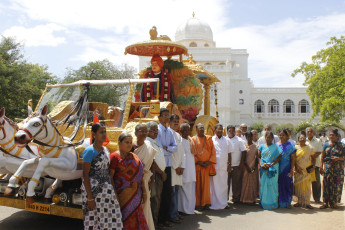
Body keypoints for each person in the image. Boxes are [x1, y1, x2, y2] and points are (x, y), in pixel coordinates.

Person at [82, 123, 122, 230]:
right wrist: (90, 198)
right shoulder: (89, 151)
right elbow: (85, 175)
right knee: (93, 219)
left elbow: (108, 173)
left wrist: (113, 191)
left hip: (107, 190)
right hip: (93, 190)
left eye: (105, 132)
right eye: (101, 132)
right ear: (94, 134)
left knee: (112, 216)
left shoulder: (106, 150)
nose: (104, 134)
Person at [110, 133, 148, 230]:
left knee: (136, 218)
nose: (129, 144)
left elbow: (140, 176)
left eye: (130, 142)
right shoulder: (114, 157)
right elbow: (110, 178)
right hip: (121, 195)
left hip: (135, 195)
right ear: (119, 143)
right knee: (123, 219)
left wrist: (144, 191)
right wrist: (115, 196)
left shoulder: (134, 157)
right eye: (126, 142)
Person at [156, 108, 178, 227]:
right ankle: (158, 220)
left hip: (168, 165)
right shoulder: (157, 130)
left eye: (167, 115)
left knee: (167, 193)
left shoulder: (169, 132)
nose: (166, 117)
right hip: (160, 165)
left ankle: (165, 218)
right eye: (164, 115)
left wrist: (166, 148)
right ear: (159, 117)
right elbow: (159, 149)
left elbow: (175, 148)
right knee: (159, 193)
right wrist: (167, 149)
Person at [133, 123, 157, 230]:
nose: (143, 133)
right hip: (132, 184)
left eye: (145, 131)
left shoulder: (148, 147)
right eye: (141, 131)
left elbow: (152, 165)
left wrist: (152, 181)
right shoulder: (131, 147)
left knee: (145, 206)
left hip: (145, 182)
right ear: (135, 133)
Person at [146, 121, 167, 229]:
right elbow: (153, 162)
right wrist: (162, 172)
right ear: (147, 131)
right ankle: (153, 225)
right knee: (154, 201)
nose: (156, 132)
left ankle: (155, 222)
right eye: (153, 130)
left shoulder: (154, 141)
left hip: (159, 175)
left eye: (156, 130)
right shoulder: (148, 142)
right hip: (155, 175)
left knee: (157, 200)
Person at [191, 123, 217, 210]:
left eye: (203, 128)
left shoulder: (209, 138)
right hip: (197, 166)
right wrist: (198, 162)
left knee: (206, 186)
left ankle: (206, 203)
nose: (202, 129)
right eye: (200, 128)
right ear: (196, 129)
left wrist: (209, 162)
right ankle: (198, 204)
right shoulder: (193, 139)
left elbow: (213, 151)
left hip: (206, 166)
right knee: (197, 186)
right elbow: (192, 153)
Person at [320, 129, 345, 209]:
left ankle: (334, 202)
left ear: (337, 136)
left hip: (338, 169)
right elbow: (322, 156)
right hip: (328, 168)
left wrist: (338, 158)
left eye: (333, 135)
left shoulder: (342, 145)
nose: (331, 136)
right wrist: (321, 167)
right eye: (330, 135)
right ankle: (325, 202)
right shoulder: (326, 144)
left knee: (336, 185)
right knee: (326, 185)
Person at [210, 124, 233, 210]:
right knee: (214, 186)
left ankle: (223, 203)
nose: (219, 131)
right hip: (214, 166)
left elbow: (229, 153)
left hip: (224, 166)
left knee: (223, 185)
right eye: (218, 129)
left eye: (221, 129)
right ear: (215, 130)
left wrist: (229, 165)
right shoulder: (211, 140)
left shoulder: (227, 140)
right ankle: (213, 203)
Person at [258, 131, 282, 209]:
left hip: (273, 168)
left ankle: (273, 202)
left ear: (272, 138)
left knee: (273, 185)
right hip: (264, 168)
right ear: (265, 138)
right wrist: (261, 164)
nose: (268, 139)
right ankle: (264, 202)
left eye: (270, 137)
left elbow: (279, 157)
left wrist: (272, 164)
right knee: (263, 185)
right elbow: (258, 157)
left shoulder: (276, 147)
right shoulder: (261, 146)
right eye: (267, 137)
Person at [168, 114, 186, 222]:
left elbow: (183, 152)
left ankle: (175, 213)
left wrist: (182, 166)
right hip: (172, 167)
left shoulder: (178, 135)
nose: (175, 123)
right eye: (173, 121)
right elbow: (169, 152)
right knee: (172, 192)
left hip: (179, 168)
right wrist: (176, 167)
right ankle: (172, 215)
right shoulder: (168, 134)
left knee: (176, 190)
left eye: (177, 121)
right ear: (169, 122)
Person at [178, 123, 196, 215]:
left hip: (191, 169)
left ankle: (190, 208)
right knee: (184, 190)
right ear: (181, 131)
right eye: (184, 130)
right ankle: (183, 209)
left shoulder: (190, 140)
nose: (187, 132)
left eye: (188, 130)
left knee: (190, 190)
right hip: (184, 169)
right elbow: (181, 156)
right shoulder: (179, 141)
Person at [226, 125, 247, 203]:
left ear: (235, 131)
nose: (231, 132)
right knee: (226, 183)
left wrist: (241, 163)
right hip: (226, 166)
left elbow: (244, 151)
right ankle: (225, 199)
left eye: (232, 131)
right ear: (227, 131)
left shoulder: (239, 140)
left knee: (236, 183)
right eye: (229, 131)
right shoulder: (224, 139)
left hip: (236, 165)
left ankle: (236, 199)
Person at [294, 132, 315, 209]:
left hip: (307, 170)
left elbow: (313, 158)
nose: (302, 139)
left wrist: (313, 167)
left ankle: (307, 202)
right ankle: (299, 202)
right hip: (298, 170)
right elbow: (293, 159)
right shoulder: (295, 147)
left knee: (307, 186)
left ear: (305, 139)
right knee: (298, 186)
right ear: (298, 139)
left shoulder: (309, 148)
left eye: (303, 138)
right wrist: (296, 167)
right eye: (300, 138)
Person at [277, 129, 296, 208]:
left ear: (287, 136)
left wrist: (292, 170)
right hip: (278, 167)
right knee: (279, 184)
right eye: (280, 135)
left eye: (283, 135)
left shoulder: (290, 146)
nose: (281, 136)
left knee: (288, 184)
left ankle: (288, 202)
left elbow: (293, 159)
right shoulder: (276, 145)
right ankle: (280, 201)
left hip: (287, 168)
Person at [240, 131, 259, 204]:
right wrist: (247, 167)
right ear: (246, 137)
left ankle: (252, 199)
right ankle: (245, 199)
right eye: (248, 136)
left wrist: (254, 167)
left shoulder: (255, 146)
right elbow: (243, 158)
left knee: (253, 183)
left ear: (252, 137)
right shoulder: (244, 146)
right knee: (245, 183)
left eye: (251, 136)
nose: (249, 138)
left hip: (253, 167)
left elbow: (257, 158)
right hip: (246, 167)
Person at [306, 127, 323, 203]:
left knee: (316, 182)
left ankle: (317, 198)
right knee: (306, 181)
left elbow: (320, 151)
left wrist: (313, 155)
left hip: (315, 164)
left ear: (313, 133)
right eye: (308, 131)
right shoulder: (304, 140)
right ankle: (306, 198)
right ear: (306, 132)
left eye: (311, 131)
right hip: (306, 164)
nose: (309, 133)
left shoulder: (318, 141)